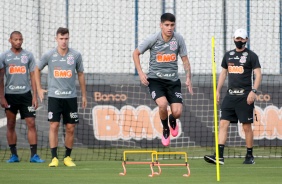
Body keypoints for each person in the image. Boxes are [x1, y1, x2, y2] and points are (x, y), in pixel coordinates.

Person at [133, 13, 193, 147]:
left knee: (177, 112)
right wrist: (141, 73)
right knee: (162, 104)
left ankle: (172, 120)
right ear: (161, 25)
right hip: (155, 80)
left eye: (172, 25)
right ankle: (165, 129)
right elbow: (135, 53)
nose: (169, 28)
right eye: (166, 25)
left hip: (173, 81)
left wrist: (188, 77)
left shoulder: (178, 39)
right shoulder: (153, 39)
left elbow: (185, 59)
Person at [204, 28, 262, 165]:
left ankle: (249, 156)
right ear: (233, 39)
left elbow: (258, 75)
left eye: (242, 39)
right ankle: (219, 156)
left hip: (245, 96)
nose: (239, 41)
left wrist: (253, 91)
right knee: (223, 123)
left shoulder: (252, 56)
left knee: (246, 126)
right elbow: (223, 74)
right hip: (230, 95)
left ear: (246, 40)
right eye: (237, 39)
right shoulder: (228, 55)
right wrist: (218, 91)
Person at [34, 27, 87, 167]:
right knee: (54, 125)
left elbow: (81, 74)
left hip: (70, 98)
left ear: (69, 38)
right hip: (54, 97)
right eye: (61, 38)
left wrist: (84, 95)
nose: (64, 41)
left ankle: (67, 158)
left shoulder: (75, 55)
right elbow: (36, 69)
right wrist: (39, 88)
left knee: (70, 127)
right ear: (56, 39)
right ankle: (54, 158)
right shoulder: (49, 55)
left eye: (66, 38)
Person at [0, 31, 45, 163]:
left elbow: (33, 76)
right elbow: (1, 78)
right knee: (11, 124)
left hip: (26, 96)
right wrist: (2, 97)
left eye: (20, 39)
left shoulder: (28, 56)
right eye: (15, 39)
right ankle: (14, 155)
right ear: (10, 40)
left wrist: (34, 96)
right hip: (10, 96)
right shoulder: (4, 57)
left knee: (31, 123)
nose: (18, 42)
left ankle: (34, 156)